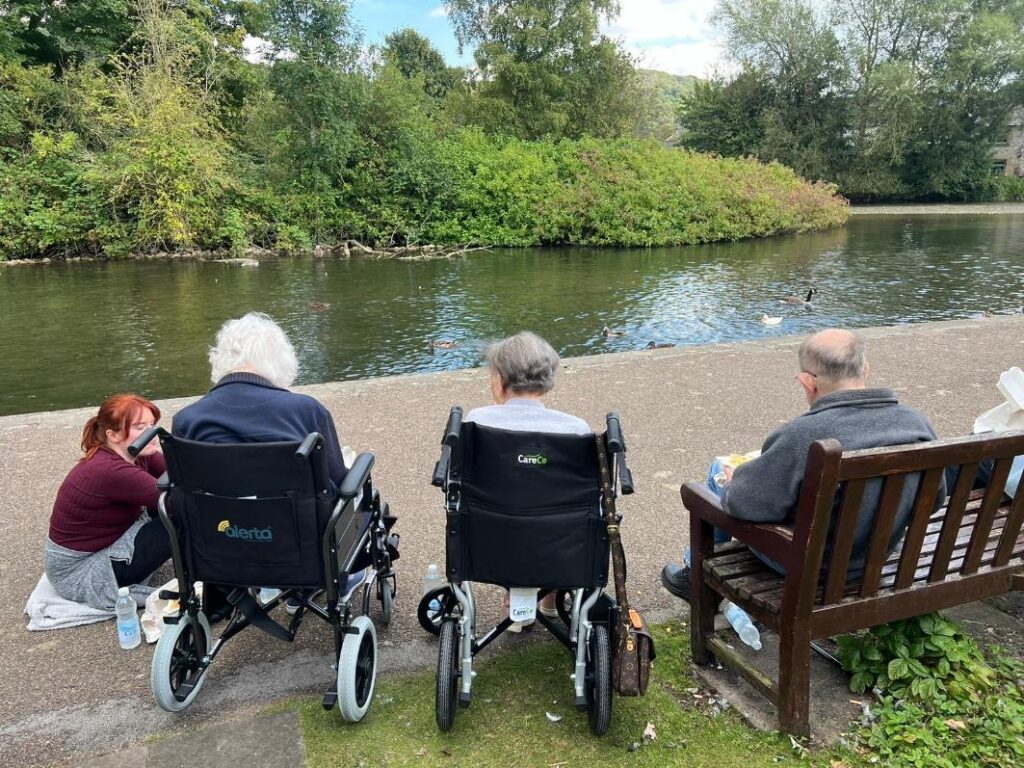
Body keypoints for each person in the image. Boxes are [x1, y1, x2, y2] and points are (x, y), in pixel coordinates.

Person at [662, 328, 941, 602]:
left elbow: (741, 506)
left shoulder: (802, 436)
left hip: (810, 567)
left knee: (718, 477)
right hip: (878, 555)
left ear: (808, 382)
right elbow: (934, 499)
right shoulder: (916, 424)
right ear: (865, 369)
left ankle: (694, 577)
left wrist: (734, 482)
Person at [172, 312, 358, 614]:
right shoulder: (306, 411)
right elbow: (338, 481)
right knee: (352, 486)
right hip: (298, 549)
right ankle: (331, 581)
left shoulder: (187, 420)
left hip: (221, 547)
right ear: (281, 361)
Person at [466, 331, 591, 630]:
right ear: (546, 380)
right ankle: (548, 598)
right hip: (559, 545)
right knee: (556, 510)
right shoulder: (575, 431)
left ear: (500, 377)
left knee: (504, 507)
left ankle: (516, 595)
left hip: (491, 545)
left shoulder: (475, 423)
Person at [45, 394, 171, 610]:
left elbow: (179, 472)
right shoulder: (110, 470)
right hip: (79, 571)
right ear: (112, 435)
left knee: (175, 508)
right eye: (141, 427)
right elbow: (180, 503)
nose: (152, 434)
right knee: (178, 521)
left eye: (153, 425)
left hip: (104, 543)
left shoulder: (138, 451)